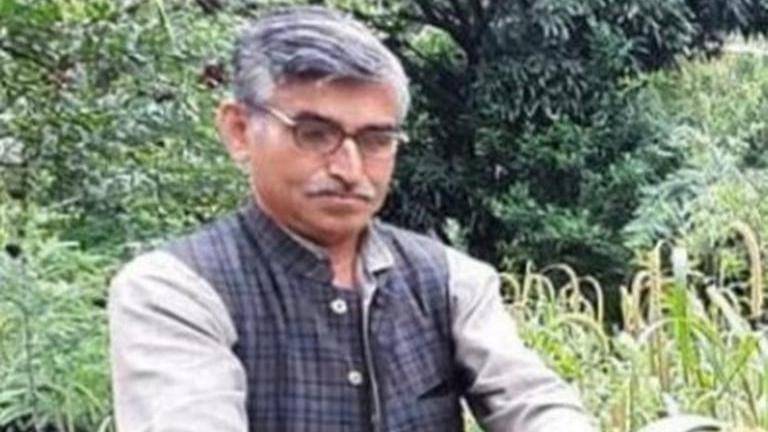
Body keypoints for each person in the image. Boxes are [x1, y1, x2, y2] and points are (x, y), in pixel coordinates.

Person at [108, 6, 598, 432]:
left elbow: (533, 402)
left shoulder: (450, 281)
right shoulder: (176, 292)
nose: (349, 169)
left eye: (375, 140)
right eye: (314, 133)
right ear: (239, 130)